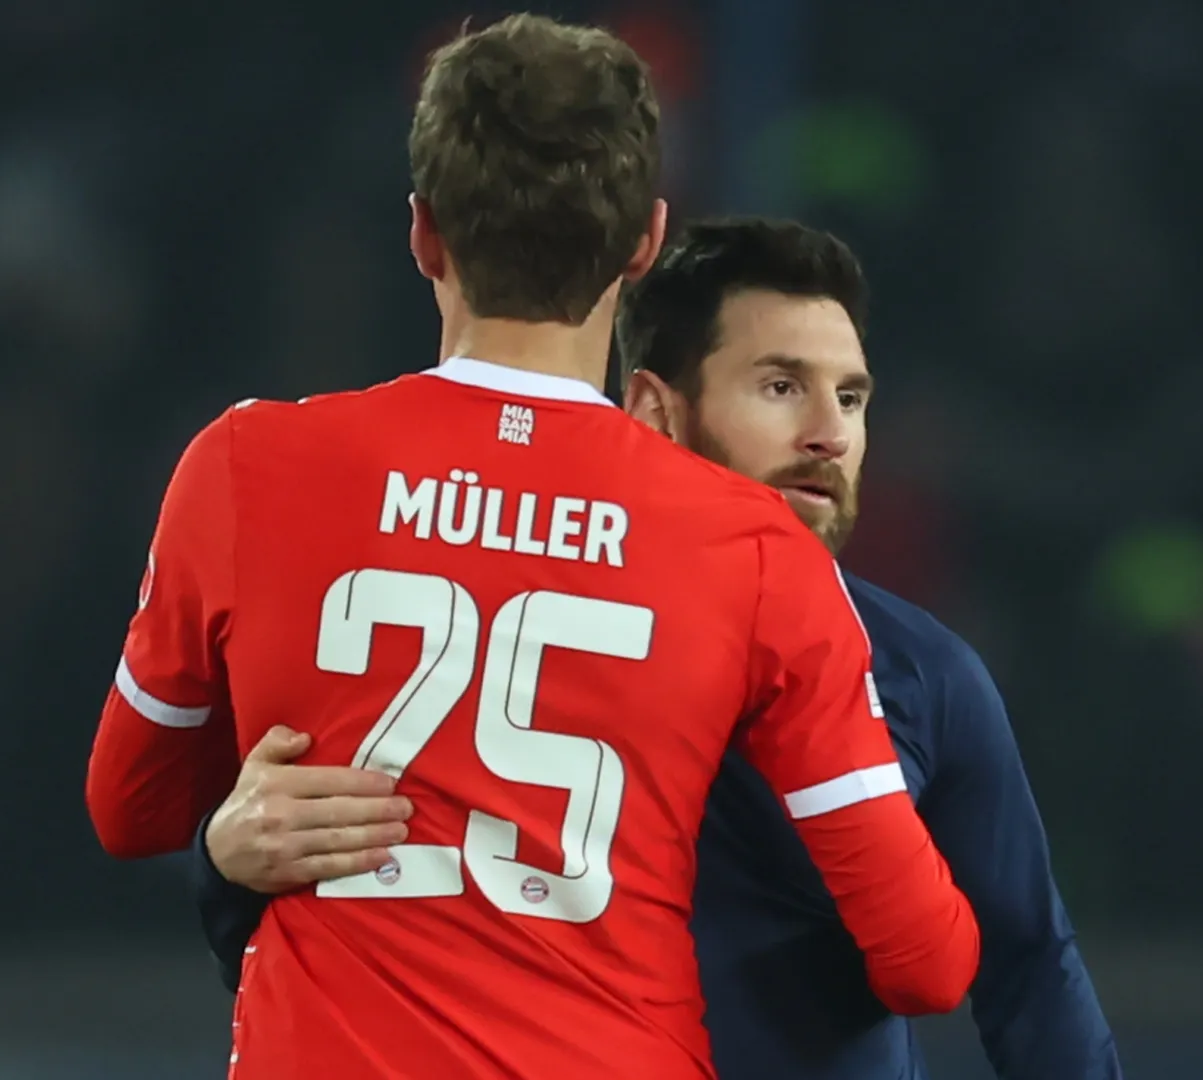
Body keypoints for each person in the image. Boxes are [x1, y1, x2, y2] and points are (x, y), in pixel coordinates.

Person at [84, 17, 979, 1080]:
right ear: (645, 244)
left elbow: (130, 806)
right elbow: (926, 960)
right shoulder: (752, 548)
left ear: (424, 233)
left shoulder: (245, 466)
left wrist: (234, 836)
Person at [194, 218, 1123, 1079]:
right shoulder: (508, 638)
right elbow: (347, 920)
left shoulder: (926, 675)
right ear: (652, 411)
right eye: (780, 387)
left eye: (851, 396)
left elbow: (1031, 969)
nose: (829, 434)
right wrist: (229, 859)